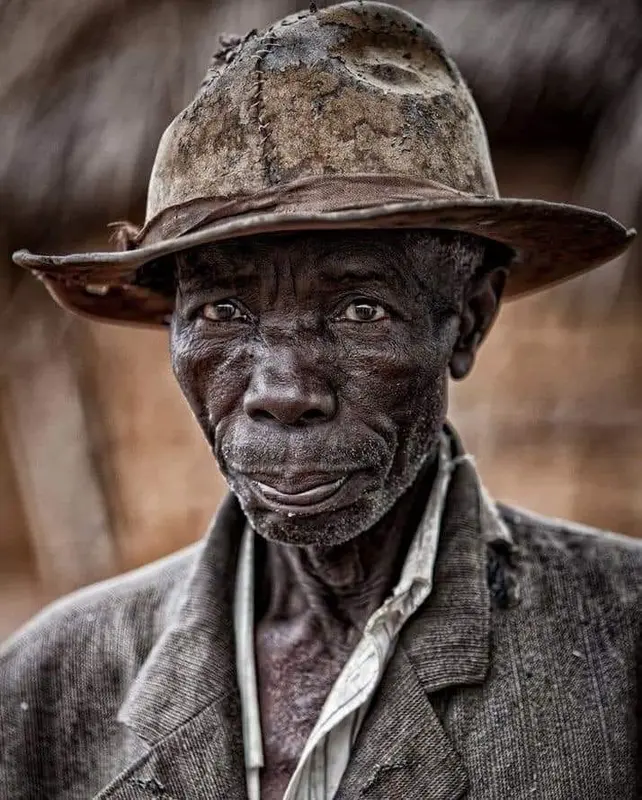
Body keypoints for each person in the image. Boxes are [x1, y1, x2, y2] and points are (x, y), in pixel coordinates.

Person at [2, 3, 640, 798]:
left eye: (359, 311)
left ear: (468, 321)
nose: (281, 391)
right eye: (222, 312)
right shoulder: (48, 683)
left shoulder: (619, 644)